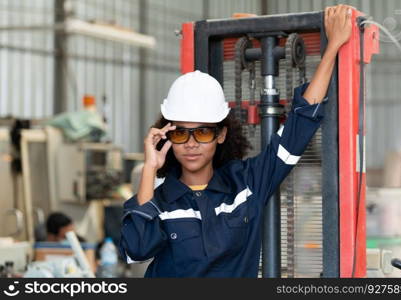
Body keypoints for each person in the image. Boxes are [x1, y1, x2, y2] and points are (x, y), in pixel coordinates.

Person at [119, 5, 353, 277]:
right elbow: (137, 250)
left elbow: (299, 127)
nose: (191, 144)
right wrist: (150, 168)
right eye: (181, 133)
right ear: (167, 136)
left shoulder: (245, 185)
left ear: (221, 134)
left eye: (203, 132)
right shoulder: (160, 199)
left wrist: (333, 46)